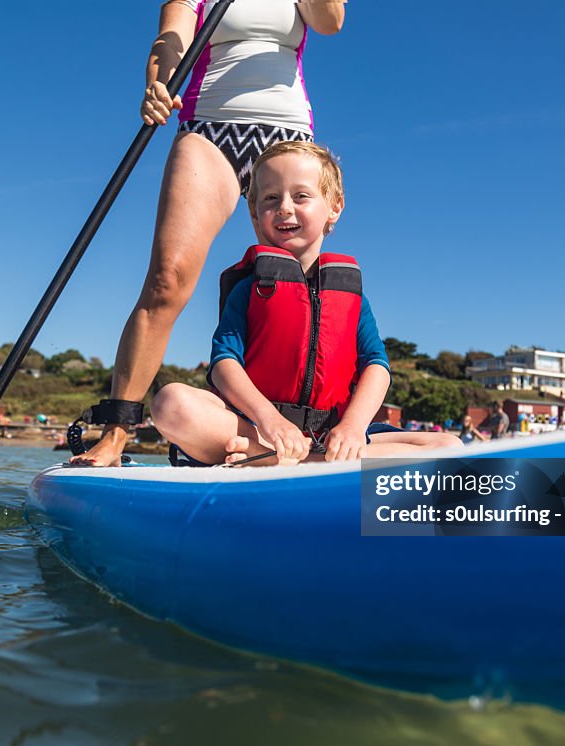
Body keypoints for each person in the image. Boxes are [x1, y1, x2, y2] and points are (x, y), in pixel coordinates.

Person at [72, 0, 347, 466]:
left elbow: (330, 21)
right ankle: (116, 435)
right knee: (167, 279)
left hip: (286, 136)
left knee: (292, 289)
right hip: (209, 130)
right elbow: (170, 42)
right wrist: (158, 82)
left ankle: (299, 434)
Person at [149, 142, 460, 465]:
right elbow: (224, 365)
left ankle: (279, 461)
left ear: (334, 207)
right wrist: (270, 421)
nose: (284, 207)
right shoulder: (248, 289)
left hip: (332, 434)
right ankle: (277, 455)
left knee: (449, 445)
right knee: (171, 404)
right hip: (258, 428)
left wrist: (353, 427)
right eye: (271, 198)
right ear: (255, 212)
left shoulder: (352, 298)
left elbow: (376, 367)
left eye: (300, 196)